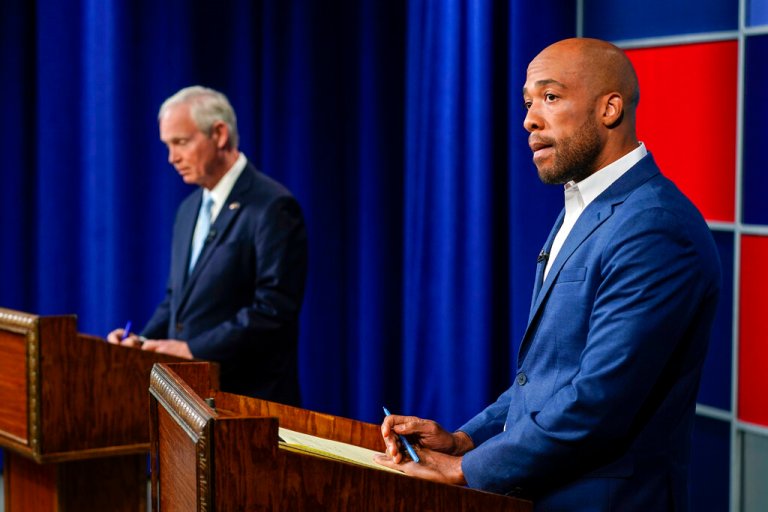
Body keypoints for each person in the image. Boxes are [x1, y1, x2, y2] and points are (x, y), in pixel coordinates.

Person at [375, 38, 721, 511]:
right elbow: (543, 381)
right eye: (528, 102)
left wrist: (465, 470)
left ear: (610, 108)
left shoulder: (656, 227)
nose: (529, 120)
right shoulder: (582, 207)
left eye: (550, 97)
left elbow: (598, 401)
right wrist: (464, 441)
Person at [108, 86, 308, 406]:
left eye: (181, 142)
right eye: (167, 145)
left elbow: (274, 310)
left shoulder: (273, 206)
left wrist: (193, 350)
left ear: (218, 134)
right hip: (190, 401)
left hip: (249, 404)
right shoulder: (188, 210)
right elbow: (177, 302)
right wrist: (141, 342)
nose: (172, 157)